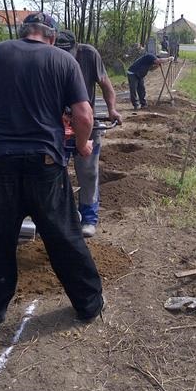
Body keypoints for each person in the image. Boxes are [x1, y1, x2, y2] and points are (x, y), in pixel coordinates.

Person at [0, 12, 104, 325]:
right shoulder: (64, 60)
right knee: (64, 236)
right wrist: (82, 145)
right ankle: (88, 304)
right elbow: (84, 115)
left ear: (23, 32)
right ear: (52, 37)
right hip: (45, 163)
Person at [55, 29, 123, 238]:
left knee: (88, 172)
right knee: (53, 172)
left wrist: (112, 109)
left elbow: (106, 84)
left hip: (85, 120)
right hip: (56, 123)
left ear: (76, 48)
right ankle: (57, 216)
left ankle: (89, 218)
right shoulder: (48, 57)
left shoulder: (89, 55)